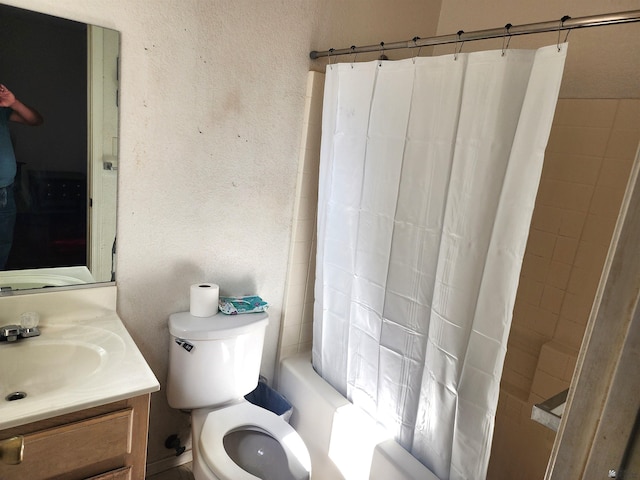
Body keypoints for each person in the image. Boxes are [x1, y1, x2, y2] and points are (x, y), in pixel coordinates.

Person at [0, 83, 43, 269]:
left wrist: (14, 102)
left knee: (2, 246)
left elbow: (35, 120)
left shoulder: (2, 110)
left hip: (4, 192)